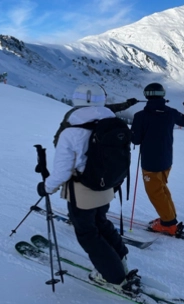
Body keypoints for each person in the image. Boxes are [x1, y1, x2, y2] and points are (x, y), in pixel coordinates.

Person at [37, 83, 137, 293]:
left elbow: (63, 171)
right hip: (107, 186)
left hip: (82, 191)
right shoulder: (113, 123)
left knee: (87, 233)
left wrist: (46, 188)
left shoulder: (71, 131)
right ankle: (120, 260)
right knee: (101, 222)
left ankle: (114, 277)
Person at [130, 82, 184, 236]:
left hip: (150, 162)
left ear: (146, 96)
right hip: (166, 160)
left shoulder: (140, 116)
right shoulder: (171, 112)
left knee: (156, 192)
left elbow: (136, 140)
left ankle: (168, 224)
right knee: (162, 189)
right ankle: (169, 217)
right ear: (162, 95)